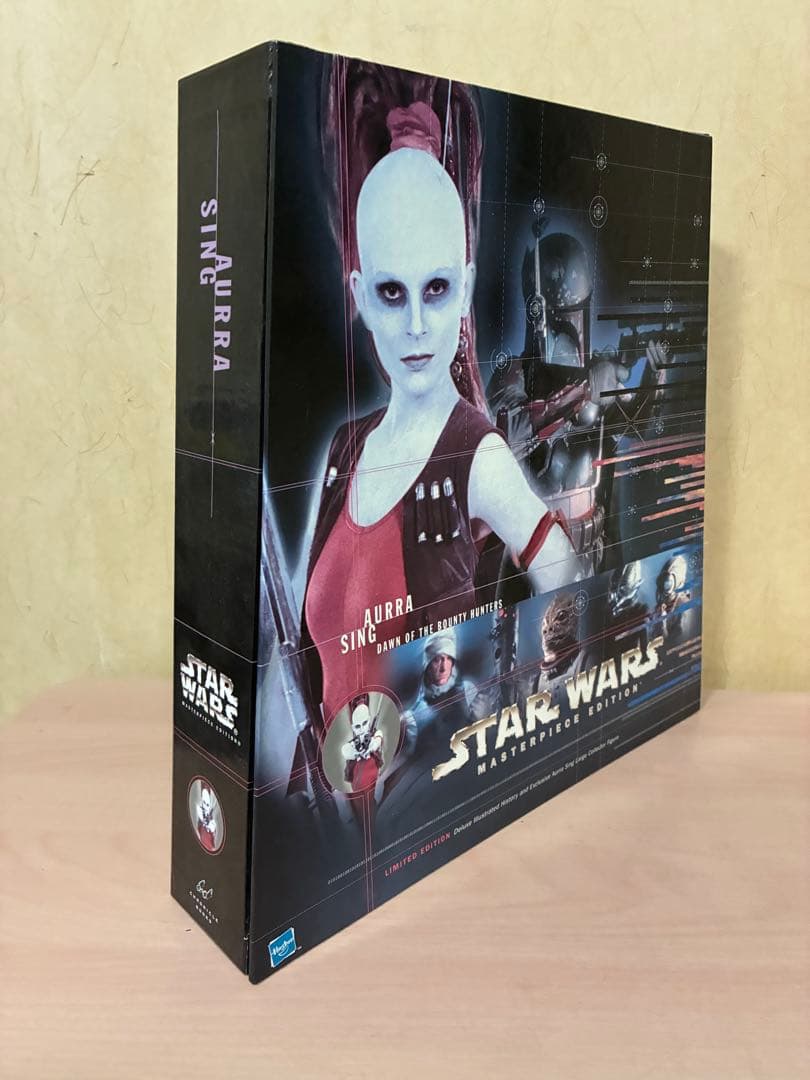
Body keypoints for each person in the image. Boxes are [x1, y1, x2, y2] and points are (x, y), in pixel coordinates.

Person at [300, 64, 582, 744]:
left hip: (425, 797)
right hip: (331, 797)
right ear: (360, 295)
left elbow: (565, 577)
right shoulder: (344, 449)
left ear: (465, 286)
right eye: (392, 293)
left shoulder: (476, 455)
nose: (418, 328)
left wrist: (527, 709)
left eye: (436, 289)